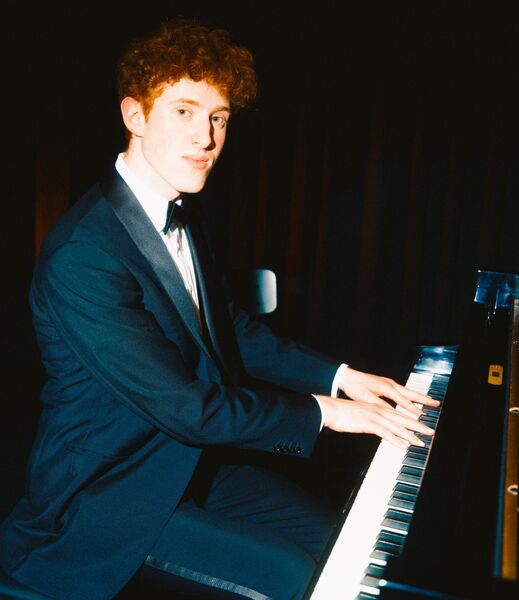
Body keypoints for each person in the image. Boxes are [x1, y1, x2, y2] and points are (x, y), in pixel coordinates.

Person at [0, 19, 438, 600]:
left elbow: (229, 330)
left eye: (219, 118)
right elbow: (186, 408)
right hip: (109, 497)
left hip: (188, 464)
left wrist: (342, 376)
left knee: (343, 543)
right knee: (296, 580)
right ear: (135, 116)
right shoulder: (83, 254)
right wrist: (327, 412)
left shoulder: (184, 211)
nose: (205, 138)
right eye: (184, 111)